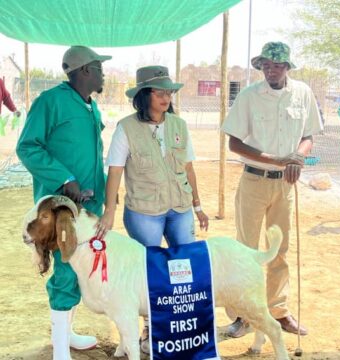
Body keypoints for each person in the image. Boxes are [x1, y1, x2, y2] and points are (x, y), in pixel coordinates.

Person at [96, 65, 209, 353]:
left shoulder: (179, 126)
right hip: (144, 212)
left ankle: (183, 326)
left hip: (180, 207)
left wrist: (197, 205)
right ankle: (150, 331)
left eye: (169, 91)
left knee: (185, 267)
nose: (166, 97)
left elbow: (189, 168)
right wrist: (109, 210)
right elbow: (116, 171)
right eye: (159, 92)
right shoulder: (126, 128)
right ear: (143, 96)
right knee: (150, 271)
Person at [221, 42, 323, 337]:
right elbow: (234, 143)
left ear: (287, 67)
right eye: (266, 65)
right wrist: (278, 159)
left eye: (277, 65)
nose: (271, 70)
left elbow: (308, 135)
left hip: (285, 186)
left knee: (280, 250)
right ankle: (243, 315)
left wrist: (298, 157)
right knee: (246, 251)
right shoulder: (250, 96)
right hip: (253, 181)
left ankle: (278, 312)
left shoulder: (302, 93)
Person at [16, 46, 111, 360]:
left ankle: (66, 333)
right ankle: (59, 350)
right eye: (99, 67)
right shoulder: (50, 102)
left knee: (82, 266)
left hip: (90, 206)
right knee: (67, 269)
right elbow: (28, 147)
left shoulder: (91, 106)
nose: (103, 73)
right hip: (61, 209)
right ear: (85, 70)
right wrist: (64, 177)